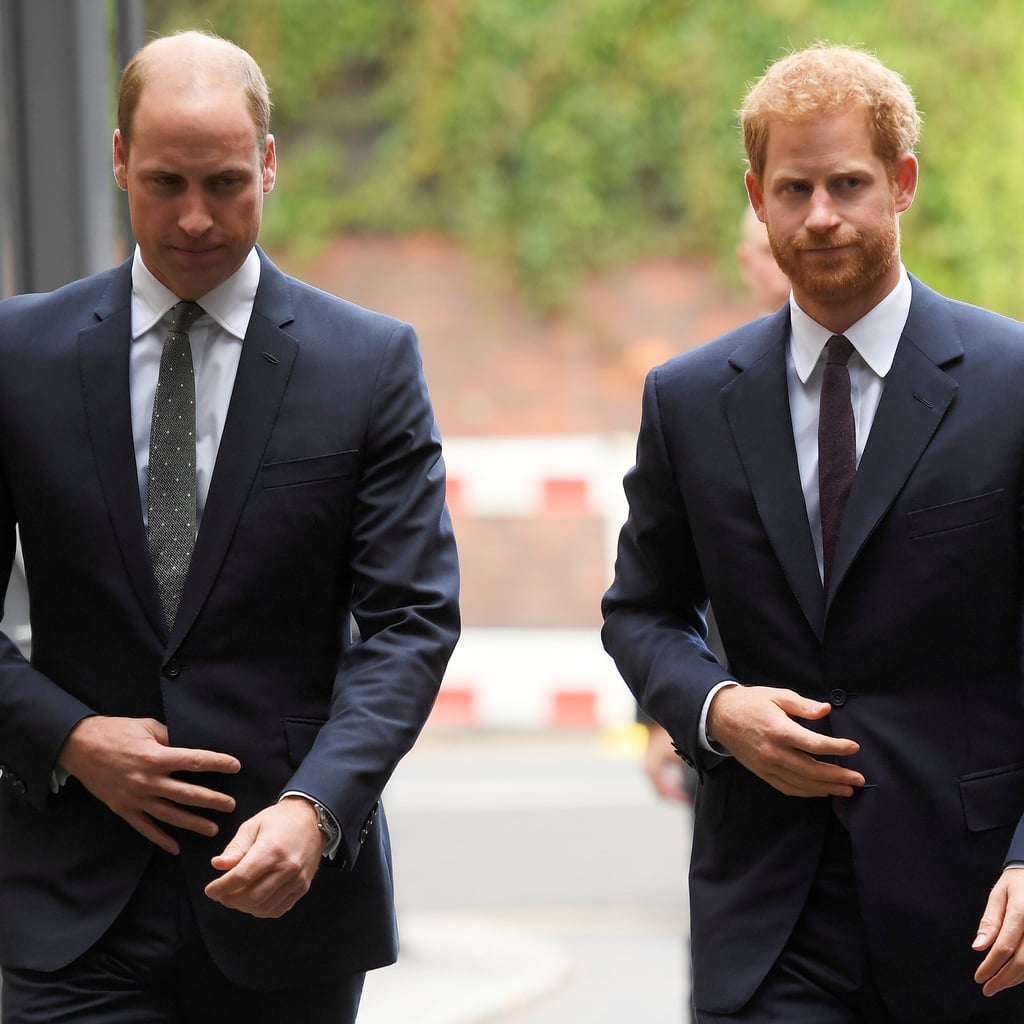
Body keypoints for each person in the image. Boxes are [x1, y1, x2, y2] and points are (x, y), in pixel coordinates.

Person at [0, 29, 459, 1024]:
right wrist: (68, 736)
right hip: (71, 897)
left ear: (270, 163)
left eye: (225, 183)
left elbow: (412, 620)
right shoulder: (17, 353)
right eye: (164, 183)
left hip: (285, 896)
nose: (196, 217)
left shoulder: (368, 363)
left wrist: (317, 808)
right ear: (118, 158)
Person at [603, 42, 1024, 1023]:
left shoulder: (1011, 383)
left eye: (848, 184)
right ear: (758, 198)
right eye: (794, 189)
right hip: (768, 917)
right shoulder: (688, 399)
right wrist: (716, 709)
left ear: (902, 182)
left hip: (974, 916)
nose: (821, 215)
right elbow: (641, 611)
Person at [642, 207, 791, 806]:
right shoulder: (697, 393)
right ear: (746, 263)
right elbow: (660, 582)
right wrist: (678, 708)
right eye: (769, 247)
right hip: (731, 730)